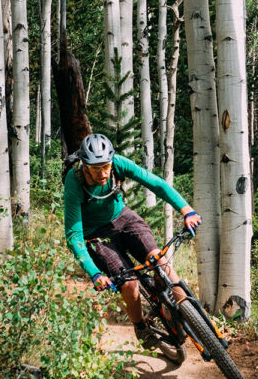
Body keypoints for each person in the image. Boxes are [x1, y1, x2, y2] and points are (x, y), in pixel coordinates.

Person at [63, 133, 202, 349]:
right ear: (85, 165)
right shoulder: (74, 181)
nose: (103, 173)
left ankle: (191, 316)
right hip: (95, 234)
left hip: (123, 218)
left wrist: (186, 210)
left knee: (160, 260)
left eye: (106, 166)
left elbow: (155, 183)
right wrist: (94, 273)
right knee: (129, 283)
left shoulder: (117, 164)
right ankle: (141, 326)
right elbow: (74, 235)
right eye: (96, 168)